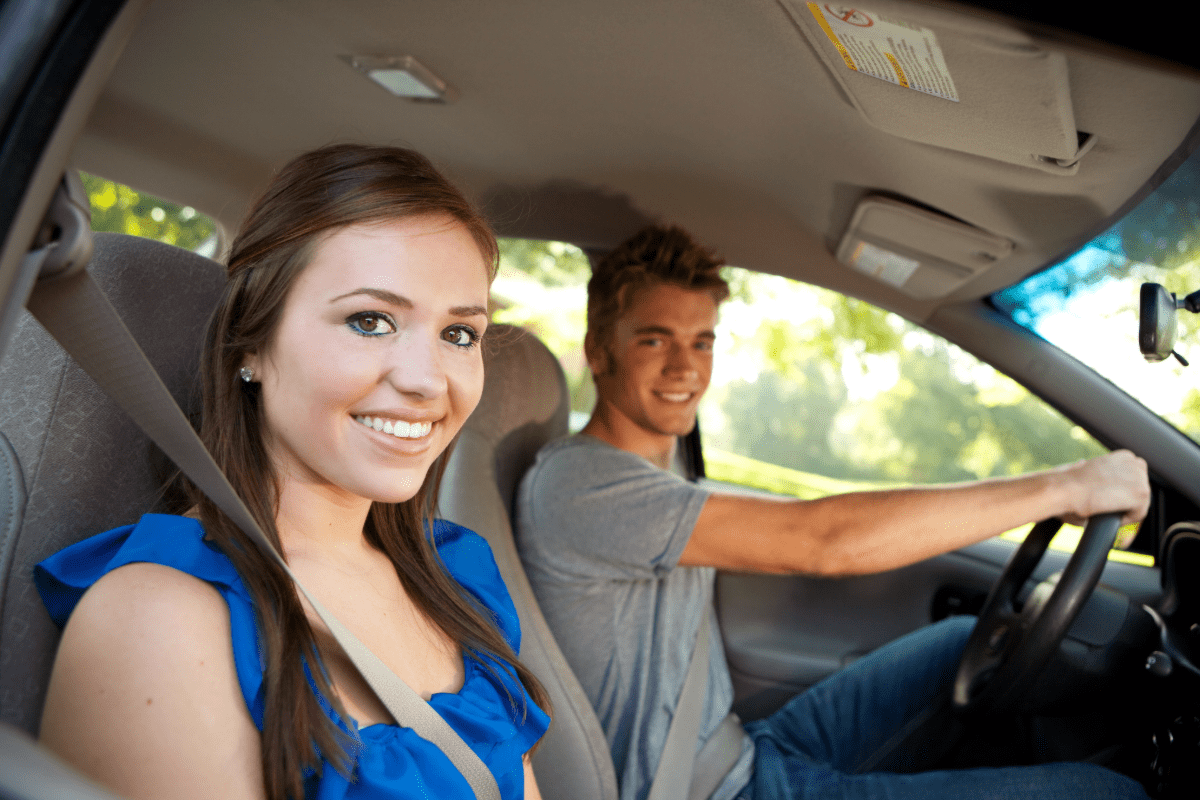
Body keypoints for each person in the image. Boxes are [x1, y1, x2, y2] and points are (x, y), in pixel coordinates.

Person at [515, 224, 1151, 800]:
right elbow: (823, 541)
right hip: (706, 793)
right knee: (1108, 797)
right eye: (655, 339)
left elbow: (812, 523)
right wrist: (1066, 487)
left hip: (739, 749)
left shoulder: (655, 467)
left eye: (702, 342)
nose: (686, 367)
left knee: (969, 648)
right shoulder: (580, 483)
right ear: (598, 351)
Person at [34, 145, 550, 800]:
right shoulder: (161, 619)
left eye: (459, 335)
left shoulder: (455, 580)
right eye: (371, 321)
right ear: (253, 342)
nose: (426, 381)